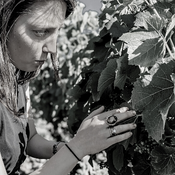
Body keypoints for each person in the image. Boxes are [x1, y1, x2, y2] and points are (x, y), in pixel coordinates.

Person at [0, 0, 137, 174]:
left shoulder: (17, 77)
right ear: (4, 21)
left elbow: (30, 138)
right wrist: (77, 148)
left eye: (57, 31)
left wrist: (68, 147)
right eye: (40, 31)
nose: (52, 48)